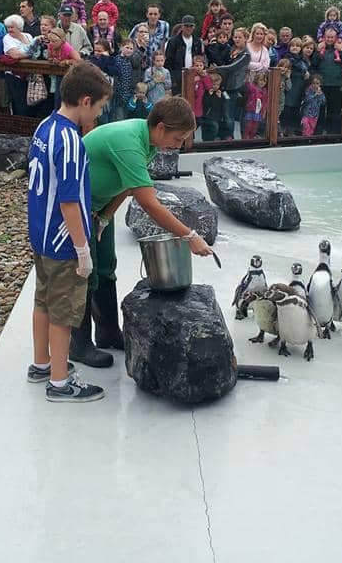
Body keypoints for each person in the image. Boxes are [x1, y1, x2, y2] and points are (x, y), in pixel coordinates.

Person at [70, 96, 213, 367]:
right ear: (160, 128)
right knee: (84, 273)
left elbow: (129, 184)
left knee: (105, 268)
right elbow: (148, 202)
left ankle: (108, 332)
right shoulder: (129, 143)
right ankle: (79, 344)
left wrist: (105, 216)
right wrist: (190, 236)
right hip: (75, 208)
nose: (178, 145)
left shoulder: (148, 141)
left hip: (97, 208)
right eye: (178, 138)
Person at [27, 62, 111, 401]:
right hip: (63, 242)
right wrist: (83, 249)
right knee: (63, 312)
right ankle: (60, 383)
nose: (101, 114)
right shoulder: (71, 140)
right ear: (86, 101)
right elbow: (69, 201)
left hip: (40, 235)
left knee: (42, 300)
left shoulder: (45, 127)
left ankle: (41, 364)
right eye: (102, 106)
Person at [316, 28, 342, 133]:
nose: (329, 39)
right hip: (321, 85)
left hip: (336, 84)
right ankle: (318, 132)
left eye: (332, 37)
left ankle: (333, 133)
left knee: (334, 111)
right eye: (327, 37)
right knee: (320, 110)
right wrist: (317, 50)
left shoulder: (341, 48)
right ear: (324, 37)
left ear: (336, 38)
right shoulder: (320, 48)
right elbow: (314, 63)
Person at [164, 15, 202, 90]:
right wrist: (173, 79)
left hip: (194, 77)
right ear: (182, 26)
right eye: (186, 26)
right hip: (178, 78)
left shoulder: (197, 42)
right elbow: (168, 62)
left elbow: (200, 59)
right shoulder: (173, 41)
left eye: (191, 26)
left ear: (194, 27)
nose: (188, 28)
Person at [201, 72, 227, 141]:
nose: (215, 86)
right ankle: (207, 140)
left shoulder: (220, 92)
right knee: (211, 127)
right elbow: (205, 103)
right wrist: (209, 95)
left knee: (216, 128)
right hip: (207, 116)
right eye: (213, 84)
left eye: (218, 84)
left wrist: (220, 97)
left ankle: (211, 140)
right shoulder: (206, 92)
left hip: (217, 116)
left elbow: (224, 103)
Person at [242, 70, 268, 139]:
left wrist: (264, 112)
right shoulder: (253, 88)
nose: (262, 82)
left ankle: (251, 138)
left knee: (255, 127)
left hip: (258, 112)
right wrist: (248, 77)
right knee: (248, 126)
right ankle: (245, 138)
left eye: (264, 81)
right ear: (257, 80)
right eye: (261, 80)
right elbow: (248, 84)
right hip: (251, 111)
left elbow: (265, 103)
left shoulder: (264, 91)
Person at [189, 54, 212, 129]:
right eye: (197, 65)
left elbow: (209, 87)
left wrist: (204, 77)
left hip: (200, 101)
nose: (198, 67)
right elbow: (187, 86)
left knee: (198, 121)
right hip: (190, 100)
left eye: (200, 65)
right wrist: (193, 81)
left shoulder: (205, 75)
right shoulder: (190, 74)